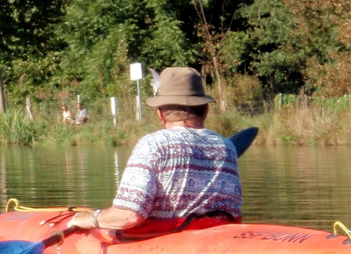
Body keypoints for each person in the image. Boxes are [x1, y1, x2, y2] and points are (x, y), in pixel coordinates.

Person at [66, 67, 239, 233]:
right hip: (219, 237)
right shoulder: (227, 147)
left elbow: (129, 216)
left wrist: (89, 219)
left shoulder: (154, 144)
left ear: (160, 114)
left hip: (168, 241)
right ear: (206, 110)